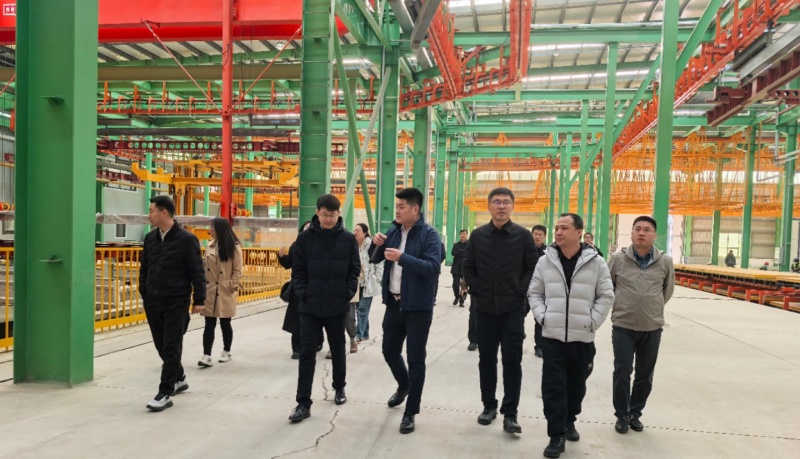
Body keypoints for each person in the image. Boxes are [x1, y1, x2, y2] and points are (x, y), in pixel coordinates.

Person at [528, 213, 614, 458]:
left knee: (576, 387)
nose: (558, 232)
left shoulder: (596, 262)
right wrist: (543, 317)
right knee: (553, 388)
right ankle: (556, 435)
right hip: (552, 337)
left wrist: (592, 321)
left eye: (564, 228)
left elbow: (606, 295)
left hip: (582, 338)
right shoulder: (545, 261)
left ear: (579, 232)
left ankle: (569, 419)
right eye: (557, 227)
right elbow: (534, 292)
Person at [462, 187, 537, 435]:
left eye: (506, 202)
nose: (501, 206)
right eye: (497, 202)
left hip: (512, 309)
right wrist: (477, 289)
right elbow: (468, 266)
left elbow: (532, 267)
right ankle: (489, 406)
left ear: (513, 206)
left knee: (512, 361)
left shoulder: (523, 236)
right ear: (489, 207)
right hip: (484, 309)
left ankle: (511, 413)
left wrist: (520, 290)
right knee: (486, 360)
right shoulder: (478, 235)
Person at [370, 187, 441, 434]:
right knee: (389, 350)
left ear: (415, 209)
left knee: (415, 358)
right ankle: (404, 385)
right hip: (394, 304)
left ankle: (410, 412)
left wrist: (403, 258)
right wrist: (376, 245)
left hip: (418, 307)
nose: (397, 211)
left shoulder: (430, 235)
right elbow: (375, 259)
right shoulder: (393, 231)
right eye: (396, 206)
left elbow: (433, 267)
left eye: (401, 207)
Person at [288, 195, 360, 423]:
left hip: (337, 306)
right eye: (324, 214)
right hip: (309, 307)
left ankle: (339, 387)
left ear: (339, 214)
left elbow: (354, 270)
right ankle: (303, 402)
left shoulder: (348, 240)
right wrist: (303, 293)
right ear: (317, 213)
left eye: (332, 214)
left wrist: (346, 293)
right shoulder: (305, 238)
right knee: (307, 353)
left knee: (338, 349)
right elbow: (298, 270)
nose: (328, 219)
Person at [139, 195, 206, 412]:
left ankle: (165, 392)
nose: (149, 215)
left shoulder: (186, 239)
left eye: (151, 211)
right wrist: (144, 292)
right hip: (153, 301)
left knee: (171, 346)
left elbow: (197, 270)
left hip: (176, 300)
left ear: (164, 213)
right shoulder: (150, 239)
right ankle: (179, 378)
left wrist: (199, 299)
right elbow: (144, 268)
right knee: (161, 345)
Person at [608, 216, 675, 434]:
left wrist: (651, 308)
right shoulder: (617, 259)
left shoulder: (665, 261)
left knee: (645, 374)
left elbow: (667, 291)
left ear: (655, 236)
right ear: (631, 234)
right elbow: (608, 287)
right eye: (637, 229)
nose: (641, 233)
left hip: (651, 327)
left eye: (647, 230)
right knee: (622, 370)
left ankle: (635, 413)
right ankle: (622, 414)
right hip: (623, 326)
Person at [198, 217, 244, 367]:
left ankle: (226, 351)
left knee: (225, 322)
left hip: (225, 290)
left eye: (212, 227)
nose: (210, 230)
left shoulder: (234, 247)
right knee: (209, 323)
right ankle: (206, 355)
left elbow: (238, 269)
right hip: (210, 289)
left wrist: (232, 286)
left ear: (219, 229)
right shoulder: (209, 245)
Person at [278, 221, 324, 359]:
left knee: (315, 317)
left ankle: (318, 340)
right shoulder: (296, 245)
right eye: (305, 228)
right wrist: (281, 257)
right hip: (298, 288)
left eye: (310, 228)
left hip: (316, 288)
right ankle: (296, 349)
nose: (308, 230)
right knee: (296, 319)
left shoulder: (321, 246)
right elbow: (288, 263)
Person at [354, 223, 382, 342]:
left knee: (362, 309)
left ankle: (359, 334)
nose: (355, 232)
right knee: (360, 309)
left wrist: (377, 278)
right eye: (354, 230)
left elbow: (378, 263)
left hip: (369, 282)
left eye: (358, 230)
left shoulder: (371, 245)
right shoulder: (354, 246)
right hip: (357, 283)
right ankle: (365, 333)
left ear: (365, 233)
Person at [531, 224, 548, 359]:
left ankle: (540, 347)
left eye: (540, 234)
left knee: (540, 319)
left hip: (542, 291)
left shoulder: (548, 252)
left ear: (544, 236)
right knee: (517, 316)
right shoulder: (525, 249)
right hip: (525, 289)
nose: (537, 237)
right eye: (535, 234)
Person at [451, 230, 468, 307]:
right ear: (459, 235)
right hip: (456, 267)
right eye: (461, 234)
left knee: (464, 285)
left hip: (465, 267)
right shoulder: (456, 244)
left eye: (464, 234)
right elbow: (453, 253)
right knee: (455, 284)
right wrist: (463, 252)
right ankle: (457, 296)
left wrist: (459, 252)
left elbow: (469, 253)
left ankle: (462, 300)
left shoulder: (470, 244)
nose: (463, 235)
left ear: (467, 235)